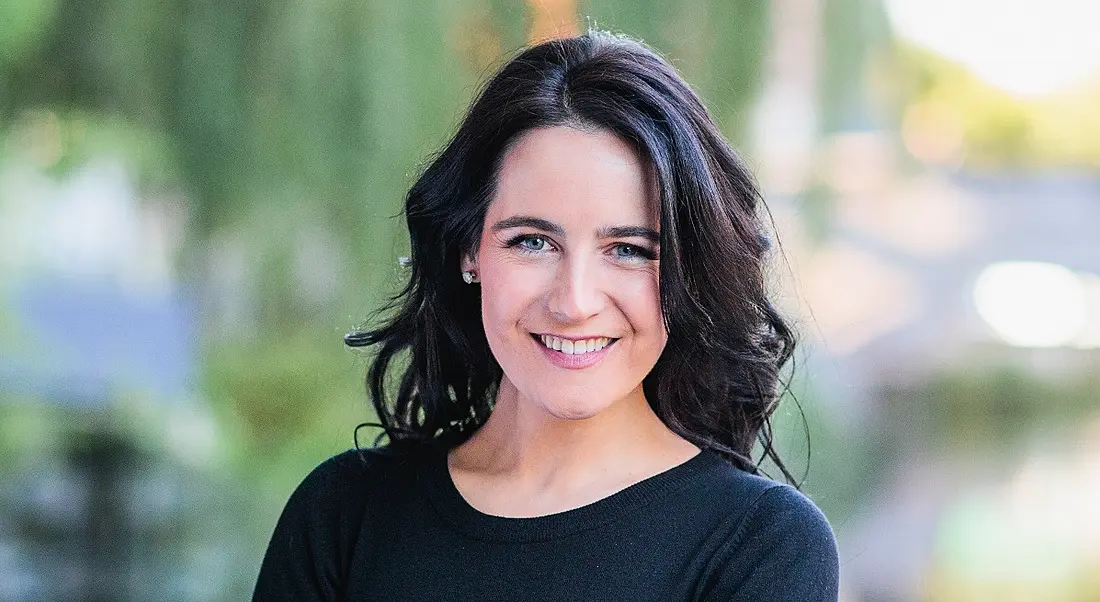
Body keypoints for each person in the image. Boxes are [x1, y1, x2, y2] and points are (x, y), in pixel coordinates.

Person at [253, 31, 840, 601]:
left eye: (630, 250)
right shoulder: (343, 515)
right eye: (533, 242)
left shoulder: (760, 546)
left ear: (689, 271)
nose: (574, 301)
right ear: (469, 249)